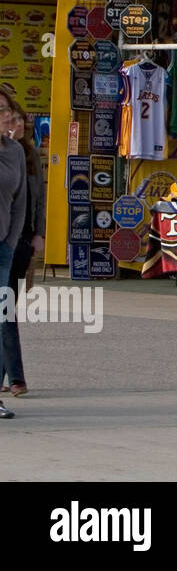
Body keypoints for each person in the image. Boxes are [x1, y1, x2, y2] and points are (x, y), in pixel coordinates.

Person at [1, 102, 40, 400]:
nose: (12, 122)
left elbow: (30, 200)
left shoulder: (23, 153)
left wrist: (31, 237)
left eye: (14, 117)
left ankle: (14, 377)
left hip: (15, 242)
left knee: (5, 311)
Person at [0, 89, 26, 420]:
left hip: (3, 246)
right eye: (0, 110)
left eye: (7, 108)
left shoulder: (16, 151)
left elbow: (20, 201)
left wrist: (11, 240)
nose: (6, 115)